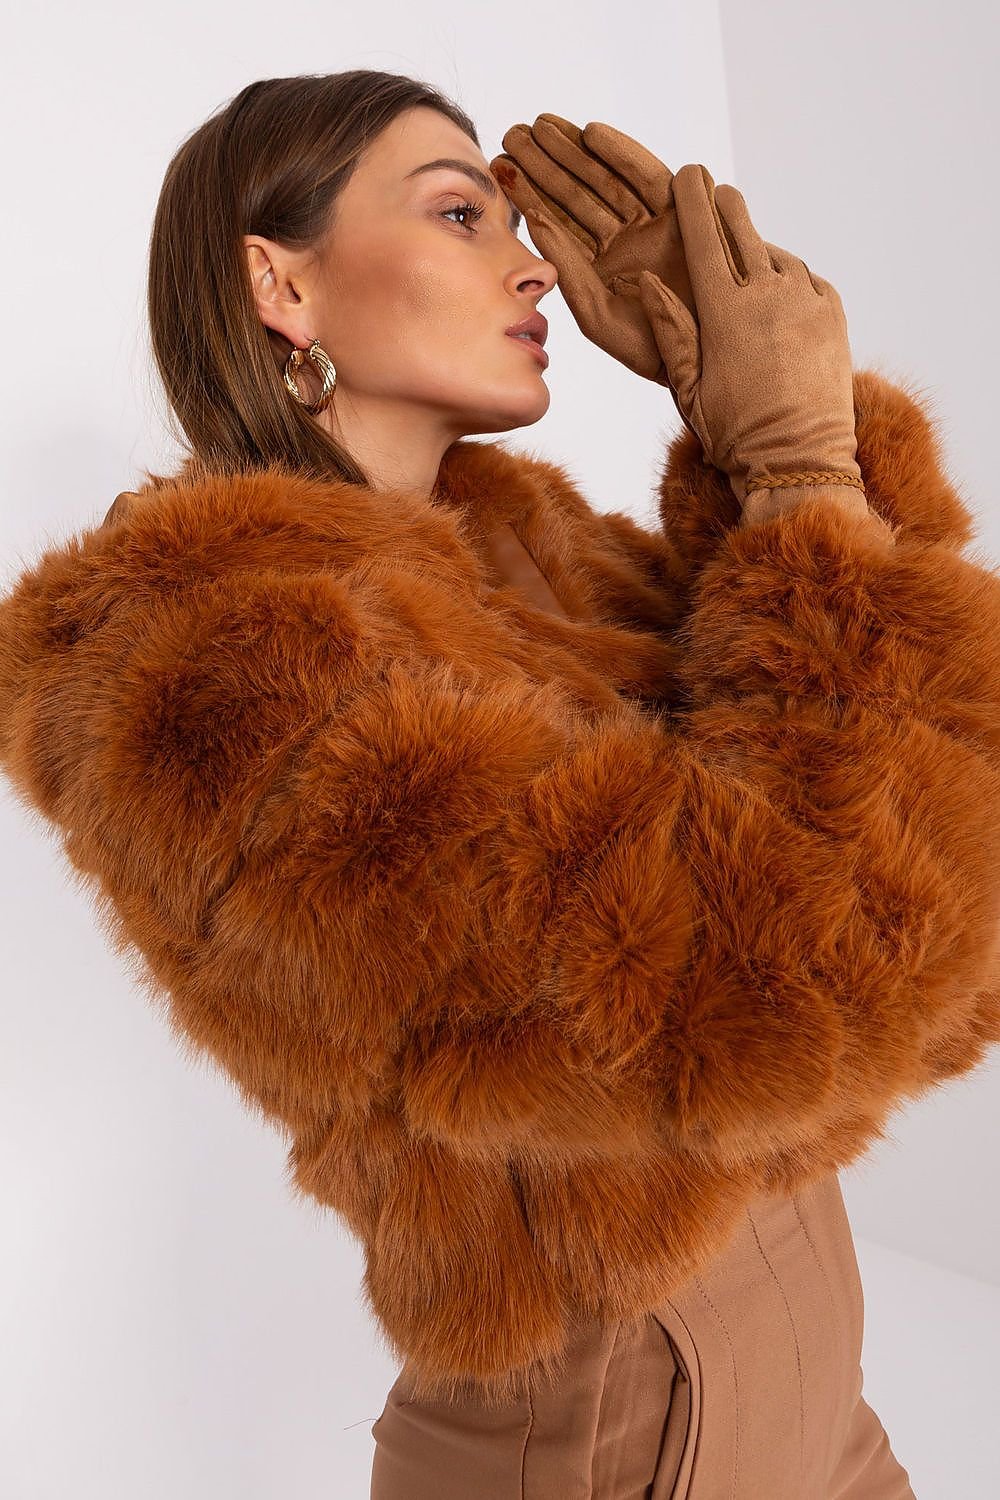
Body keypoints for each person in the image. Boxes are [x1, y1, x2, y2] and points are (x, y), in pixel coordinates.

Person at [2, 70, 999, 1499]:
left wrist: (766, 437)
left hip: (816, 1384)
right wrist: (795, 473)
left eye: (514, 223)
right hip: (618, 1423)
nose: (532, 266)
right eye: (459, 215)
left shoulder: (519, 551)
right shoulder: (214, 670)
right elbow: (769, 988)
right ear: (281, 284)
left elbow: (940, 846)